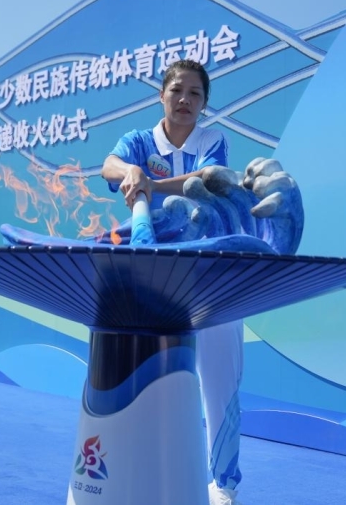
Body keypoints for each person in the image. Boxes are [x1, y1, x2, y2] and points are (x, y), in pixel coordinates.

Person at [101, 59, 244, 505]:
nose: (185, 99)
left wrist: (150, 184)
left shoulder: (212, 140)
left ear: (204, 103)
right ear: (161, 95)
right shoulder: (139, 141)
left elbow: (206, 182)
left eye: (195, 93)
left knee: (220, 381)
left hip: (209, 271)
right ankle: (139, 473)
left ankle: (223, 485)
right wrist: (130, 172)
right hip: (152, 274)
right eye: (177, 90)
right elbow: (108, 165)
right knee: (144, 376)